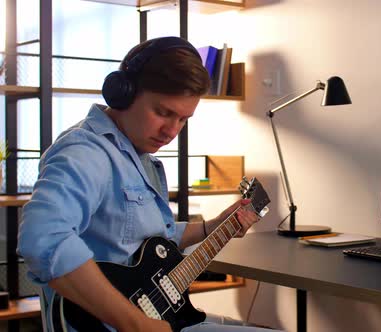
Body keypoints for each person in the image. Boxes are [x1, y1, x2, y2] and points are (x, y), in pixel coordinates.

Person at [17, 37, 273, 332]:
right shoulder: (85, 151)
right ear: (123, 93)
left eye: (183, 120)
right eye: (163, 113)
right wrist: (136, 323)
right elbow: (43, 238)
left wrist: (211, 227)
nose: (171, 131)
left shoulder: (141, 156)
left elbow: (147, 240)